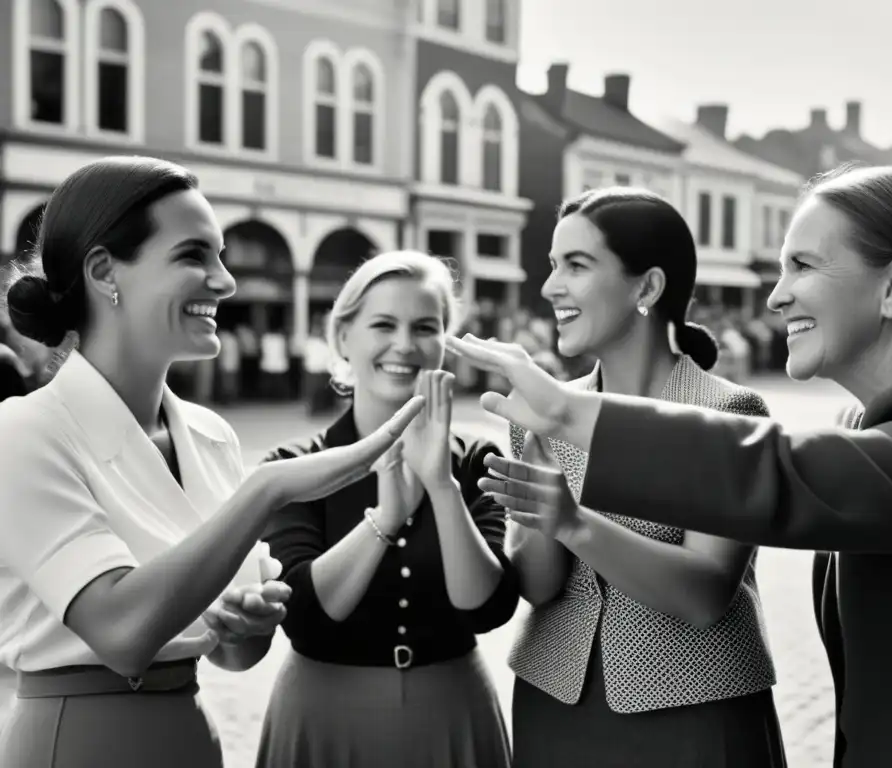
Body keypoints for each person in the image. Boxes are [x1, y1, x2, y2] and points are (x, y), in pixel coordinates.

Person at [451, 165, 892, 768]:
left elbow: (776, 478)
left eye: (802, 266)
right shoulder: (877, 422)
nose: (776, 296)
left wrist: (568, 414)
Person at [0, 156, 423, 768]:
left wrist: (245, 625)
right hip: (79, 740)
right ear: (103, 271)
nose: (225, 281)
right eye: (194, 255)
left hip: (192, 734)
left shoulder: (211, 435)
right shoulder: (24, 430)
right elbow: (122, 634)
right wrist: (268, 490)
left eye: (221, 256)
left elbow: (231, 657)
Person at [498, 188, 784, 768]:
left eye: (576, 266)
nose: (551, 287)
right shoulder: (542, 410)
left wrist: (573, 523)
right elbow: (539, 585)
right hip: (556, 708)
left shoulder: (728, 414)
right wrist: (536, 457)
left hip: (697, 713)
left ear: (647, 288)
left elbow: (704, 594)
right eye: (553, 265)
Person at [252, 250, 520, 768]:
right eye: (383, 324)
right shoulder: (292, 465)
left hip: (451, 711)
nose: (404, 344)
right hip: (323, 717)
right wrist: (385, 519)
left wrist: (441, 486)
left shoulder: (476, 459)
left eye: (425, 326)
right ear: (342, 338)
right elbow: (304, 613)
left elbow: (487, 608)